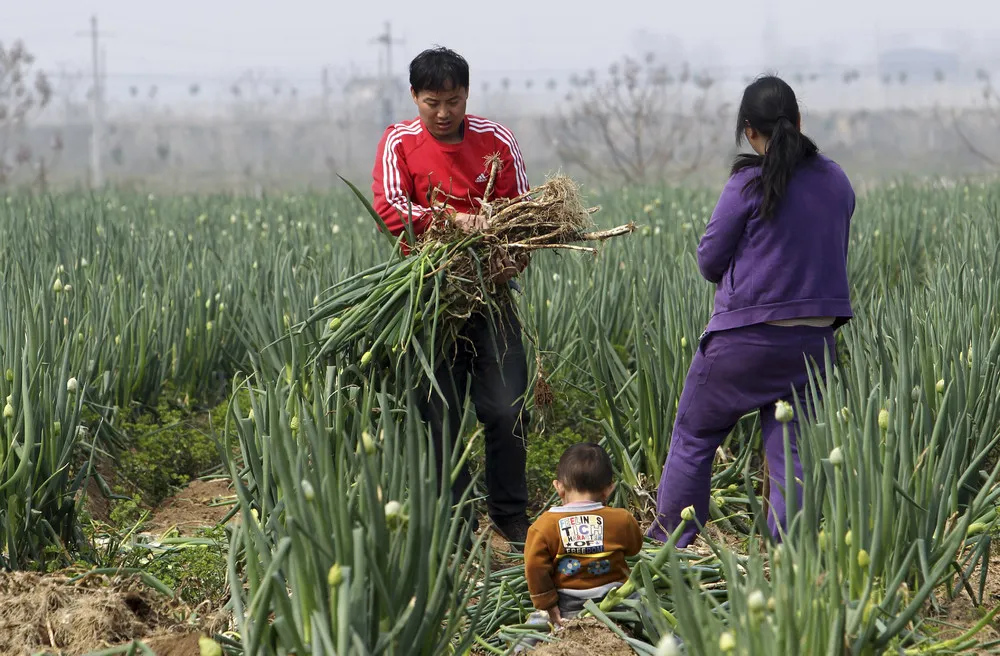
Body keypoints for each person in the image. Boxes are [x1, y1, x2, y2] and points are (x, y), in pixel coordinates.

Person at [647, 75, 855, 548]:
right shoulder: (837, 180)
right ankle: (788, 557)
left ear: (749, 131)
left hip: (744, 341)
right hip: (814, 344)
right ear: (799, 122)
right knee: (791, 451)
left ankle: (672, 547)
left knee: (695, 437)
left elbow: (708, 260)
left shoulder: (747, 183)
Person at [370, 46, 533, 548]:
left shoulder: (496, 140)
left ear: (467, 96)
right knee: (435, 412)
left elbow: (524, 214)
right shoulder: (398, 141)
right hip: (427, 297)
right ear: (415, 97)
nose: (443, 114)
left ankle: (509, 516)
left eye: (454, 102)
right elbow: (390, 207)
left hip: (491, 297)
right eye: (432, 102)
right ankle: (457, 523)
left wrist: (513, 255)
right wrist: (453, 222)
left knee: (507, 408)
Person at [521, 443, 643, 634]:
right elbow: (634, 548)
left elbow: (534, 568)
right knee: (653, 618)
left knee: (528, 633)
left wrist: (547, 603)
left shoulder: (543, 526)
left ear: (558, 487)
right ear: (608, 489)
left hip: (566, 605)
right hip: (619, 601)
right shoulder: (621, 519)